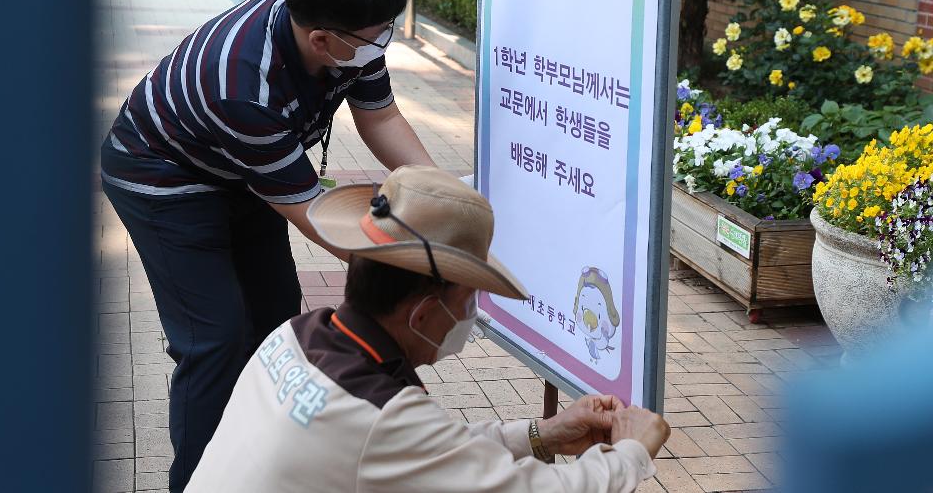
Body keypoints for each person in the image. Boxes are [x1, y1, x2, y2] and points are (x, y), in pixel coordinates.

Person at [101, 0, 436, 492]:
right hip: (161, 178)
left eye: (388, 29)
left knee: (277, 321)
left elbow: (380, 118)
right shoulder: (241, 83)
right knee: (216, 339)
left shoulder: (351, 20)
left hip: (244, 173)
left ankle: (265, 464)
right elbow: (314, 212)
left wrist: (441, 197)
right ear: (323, 40)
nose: (385, 43)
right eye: (378, 35)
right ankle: (197, 480)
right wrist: (422, 253)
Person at [186, 166, 671, 492]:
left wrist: (544, 435)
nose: (470, 317)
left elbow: (430, 450)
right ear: (421, 315)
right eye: (467, 300)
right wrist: (632, 450)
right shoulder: (381, 415)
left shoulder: (294, 336)